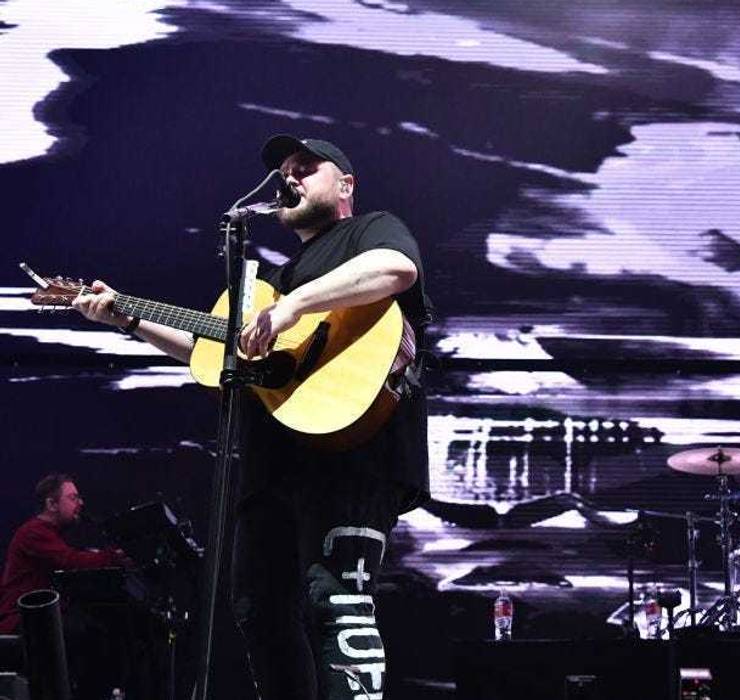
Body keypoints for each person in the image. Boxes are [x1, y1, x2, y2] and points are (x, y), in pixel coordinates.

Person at [70, 135, 434, 700]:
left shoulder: (368, 231)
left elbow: (397, 268)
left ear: (345, 185)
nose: (289, 177)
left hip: (350, 457)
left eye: (305, 167)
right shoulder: (271, 282)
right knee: (257, 611)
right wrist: (126, 316)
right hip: (272, 468)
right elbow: (206, 348)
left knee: (335, 602)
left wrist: (290, 307)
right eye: (283, 170)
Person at [0, 474, 126, 633]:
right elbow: (70, 561)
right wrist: (114, 557)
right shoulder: (33, 532)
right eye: (73, 498)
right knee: (92, 630)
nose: (81, 503)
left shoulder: (48, 534)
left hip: (36, 616)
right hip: (22, 619)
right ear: (52, 504)